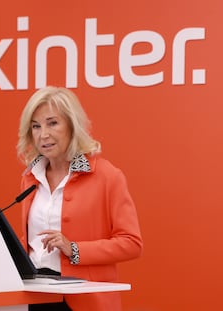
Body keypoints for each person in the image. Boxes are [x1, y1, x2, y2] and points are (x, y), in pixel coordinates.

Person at [16, 86, 143, 311]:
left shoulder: (107, 176)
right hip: (34, 296)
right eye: (35, 126)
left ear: (72, 126)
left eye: (52, 123)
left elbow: (131, 243)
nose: (43, 134)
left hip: (84, 302)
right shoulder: (30, 178)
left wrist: (74, 249)